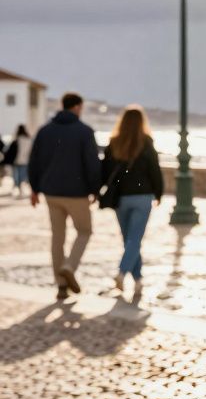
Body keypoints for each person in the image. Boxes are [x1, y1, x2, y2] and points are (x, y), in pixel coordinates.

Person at [28, 93, 101, 301]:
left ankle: (61, 285)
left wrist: (34, 189)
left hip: (51, 192)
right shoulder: (84, 132)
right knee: (84, 231)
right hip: (77, 193)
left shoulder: (45, 131)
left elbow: (34, 162)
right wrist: (94, 189)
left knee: (57, 238)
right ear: (78, 107)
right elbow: (92, 164)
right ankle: (69, 266)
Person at [101, 106, 164, 297]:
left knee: (129, 240)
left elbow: (105, 172)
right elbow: (155, 170)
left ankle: (138, 281)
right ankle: (122, 273)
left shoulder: (114, 143)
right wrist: (159, 192)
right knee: (134, 240)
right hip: (143, 197)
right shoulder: (146, 142)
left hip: (121, 198)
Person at [3, 125, 31, 197]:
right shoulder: (28, 140)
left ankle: (18, 189)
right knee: (22, 176)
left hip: (17, 161)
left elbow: (10, 151)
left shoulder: (16, 140)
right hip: (25, 161)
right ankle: (20, 189)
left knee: (17, 176)